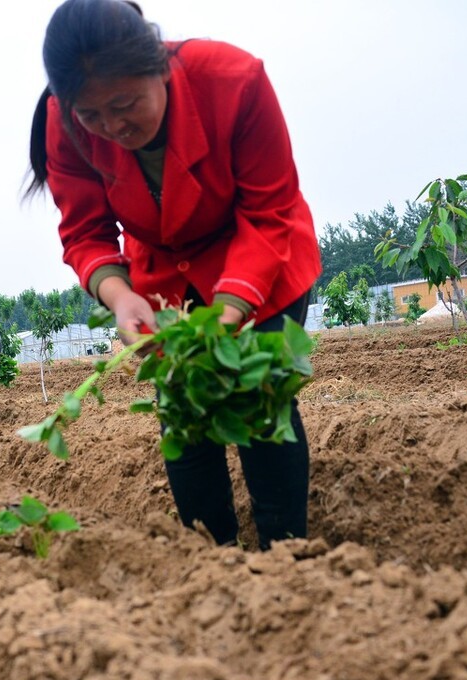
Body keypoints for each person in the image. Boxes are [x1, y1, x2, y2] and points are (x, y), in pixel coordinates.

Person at [25, 0, 322, 549]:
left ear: (159, 66)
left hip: (260, 256)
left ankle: (287, 561)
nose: (111, 127)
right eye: (91, 116)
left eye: (124, 104)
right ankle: (209, 558)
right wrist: (119, 297)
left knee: (260, 404)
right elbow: (86, 231)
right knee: (184, 417)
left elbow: (269, 210)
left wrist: (229, 312)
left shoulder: (234, 80)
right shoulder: (63, 123)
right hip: (162, 276)